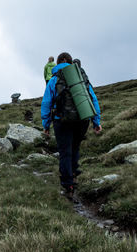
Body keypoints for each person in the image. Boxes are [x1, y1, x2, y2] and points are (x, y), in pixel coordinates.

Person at [40, 52, 102, 200]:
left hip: (61, 121)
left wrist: (46, 125)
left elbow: (46, 103)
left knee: (65, 152)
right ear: (70, 61)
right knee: (75, 147)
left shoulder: (54, 79)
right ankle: (74, 174)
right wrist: (96, 122)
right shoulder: (80, 78)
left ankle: (68, 186)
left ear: (58, 63)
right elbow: (92, 99)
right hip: (82, 119)